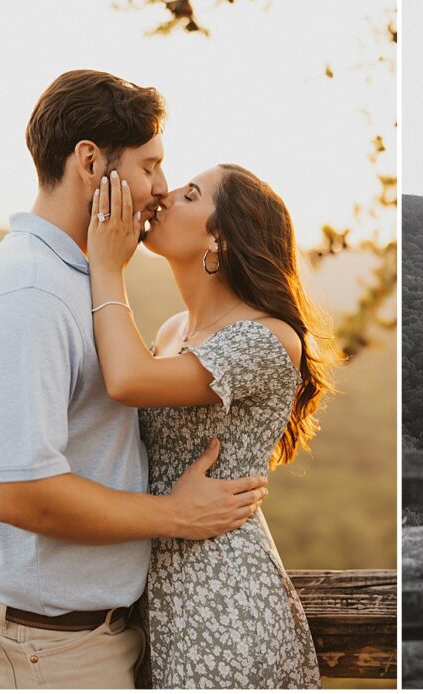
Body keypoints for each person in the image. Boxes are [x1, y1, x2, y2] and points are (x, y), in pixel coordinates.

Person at [0, 70, 268, 689]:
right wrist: (176, 516)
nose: (162, 188)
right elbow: (19, 494)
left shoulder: (82, 277)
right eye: (150, 166)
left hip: (91, 634)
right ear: (91, 163)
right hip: (53, 647)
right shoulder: (30, 293)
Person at [86, 163, 335, 688]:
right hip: (160, 588)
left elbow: (129, 380)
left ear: (218, 236)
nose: (164, 194)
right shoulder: (175, 329)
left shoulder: (267, 338)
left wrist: (106, 266)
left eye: (189, 194)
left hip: (220, 597)